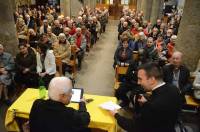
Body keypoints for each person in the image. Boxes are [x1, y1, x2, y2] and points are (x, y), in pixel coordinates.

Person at [110, 62, 182, 132]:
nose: (138, 82)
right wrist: (146, 103)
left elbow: (133, 126)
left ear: (151, 80)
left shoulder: (152, 106)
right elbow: (162, 113)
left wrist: (116, 115)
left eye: (140, 79)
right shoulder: (174, 89)